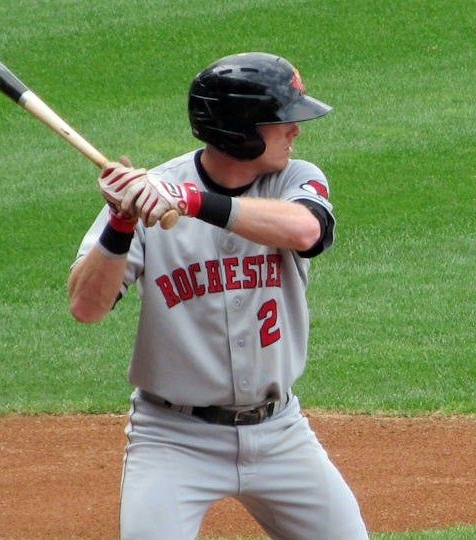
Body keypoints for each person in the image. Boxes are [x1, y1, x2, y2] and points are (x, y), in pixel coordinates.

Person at [68, 52, 367, 540]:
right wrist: (120, 223)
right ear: (241, 131)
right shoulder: (146, 198)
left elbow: (306, 231)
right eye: (282, 120)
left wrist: (191, 201)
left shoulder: (294, 178)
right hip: (173, 439)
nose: (296, 130)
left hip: (280, 434)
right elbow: (86, 307)